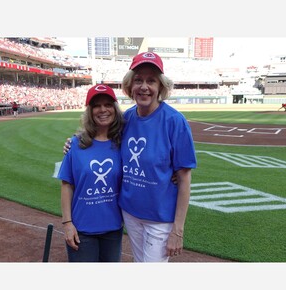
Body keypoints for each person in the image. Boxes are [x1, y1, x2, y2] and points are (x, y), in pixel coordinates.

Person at [64, 52, 197, 262]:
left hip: (159, 218)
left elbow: (184, 178)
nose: (144, 86)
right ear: (130, 86)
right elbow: (101, 138)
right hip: (130, 213)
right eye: (138, 80)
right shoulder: (126, 120)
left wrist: (177, 230)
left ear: (160, 87)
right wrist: (76, 141)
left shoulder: (175, 122)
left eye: (151, 81)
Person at [56, 84, 125, 262]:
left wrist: (172, 174)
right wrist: (67, 223)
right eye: (96, 105)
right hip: (82, 230)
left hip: (113, 229)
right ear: (89, 111)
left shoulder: (122, 143)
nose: (103, 110)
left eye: (108, 104)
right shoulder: (76, 144)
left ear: (115, 109)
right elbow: (66, 185)